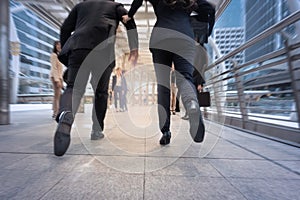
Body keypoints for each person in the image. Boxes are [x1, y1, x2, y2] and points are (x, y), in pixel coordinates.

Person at [53, 0, 139, 157]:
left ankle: (66, 113)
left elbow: (65, 28)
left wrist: (67, 48)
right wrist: (134, 49)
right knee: (100, 92)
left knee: (74, 87)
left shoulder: (81, 6)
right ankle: (97, 130)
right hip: (103, 51)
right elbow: (129, 21)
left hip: (78, 48)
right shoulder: (116, 7)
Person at [123, 0, 206, 145]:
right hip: (184, 37)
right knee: (185, 77)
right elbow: (208, 9)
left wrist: (130, 15)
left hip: (160, 38)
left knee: (163, 87)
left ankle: (165, 131)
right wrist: (204, 29)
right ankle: (192, 103)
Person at [182, 0, 215, 120]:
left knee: (193, 94)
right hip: (190, 75)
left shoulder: (201, 49)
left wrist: (200, 82)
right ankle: (189, 113)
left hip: (196, 77)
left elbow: (203, 65)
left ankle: (194, 114)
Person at [50, 41, 64, 120]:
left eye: (60, 45)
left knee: (57, 95)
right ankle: (56, 112)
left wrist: (61, 79)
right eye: (57, 45)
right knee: (57, 96)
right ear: (55, 46)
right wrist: (57, 80)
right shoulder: (54, 55)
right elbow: (54, 68)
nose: (59, 46)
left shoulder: (59, 56)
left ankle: (55, 111)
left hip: (59, 77)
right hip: (55, 77)